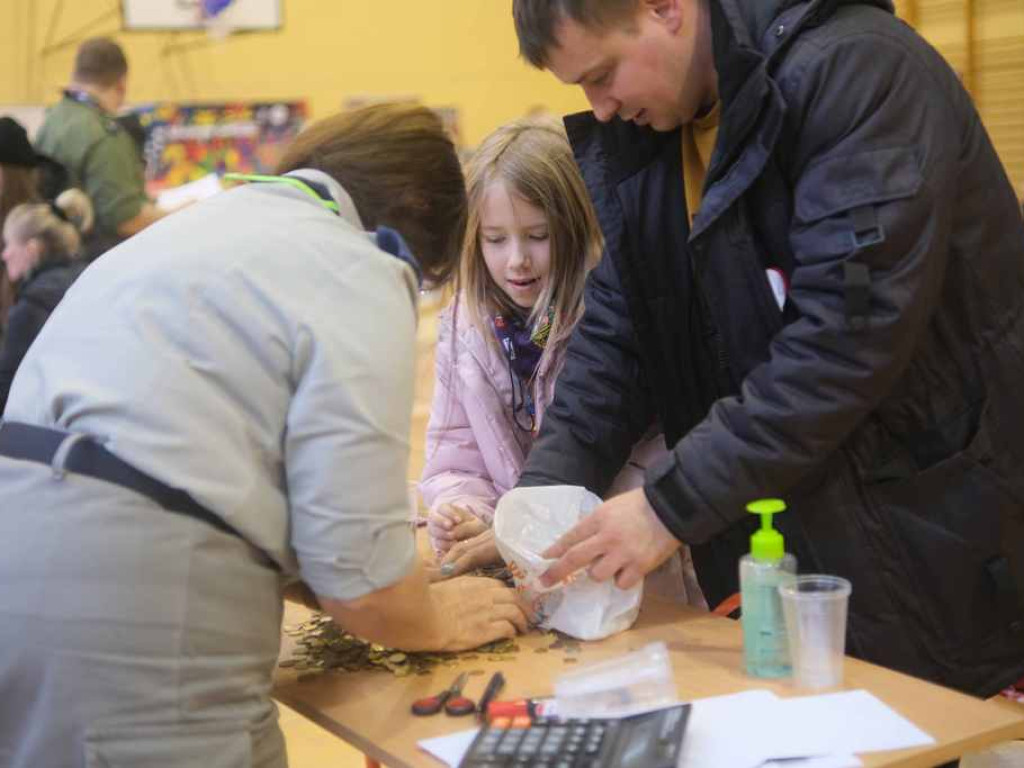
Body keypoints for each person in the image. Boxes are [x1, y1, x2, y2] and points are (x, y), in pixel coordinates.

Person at [511, 0, 1024, 698]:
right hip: (783, 553)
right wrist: (541, 504)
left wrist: (667, 506)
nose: (600, 108)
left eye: (602, 73)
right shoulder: (659, 130)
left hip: (926, 543)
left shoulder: (859, 73)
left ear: (667, 9)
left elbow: (842, 345)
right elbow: (619, 334)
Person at [0, 103, 528, 768]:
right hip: (132, 605)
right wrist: (436, 616)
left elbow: (216, 460)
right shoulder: (354, 264)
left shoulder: (210, 226)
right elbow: (361, 584)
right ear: (420, 213)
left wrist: (374, 574)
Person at [420, 118, 704, 606]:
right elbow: (454, 454)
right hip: (521, 571)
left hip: (624, 579)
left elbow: (654, 456)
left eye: (537, 235)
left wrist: (543, 524)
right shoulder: (461, 329)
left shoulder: (611, 322)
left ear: (576, 226)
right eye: (496, 239)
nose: (517, 261)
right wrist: (464, 512)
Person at [35, 37, 164, 259]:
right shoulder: (104, 136)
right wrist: (184, 214)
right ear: (121, 85)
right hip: (92, 261)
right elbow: (126, 220)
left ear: (77, 75)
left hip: (53, 254)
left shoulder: (53, 118)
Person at [0, 189, 93, 411]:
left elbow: (7, 391)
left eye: (9, 244)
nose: (4, 255)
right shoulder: (85, 278)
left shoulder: (32, 306)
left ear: (32, 249)